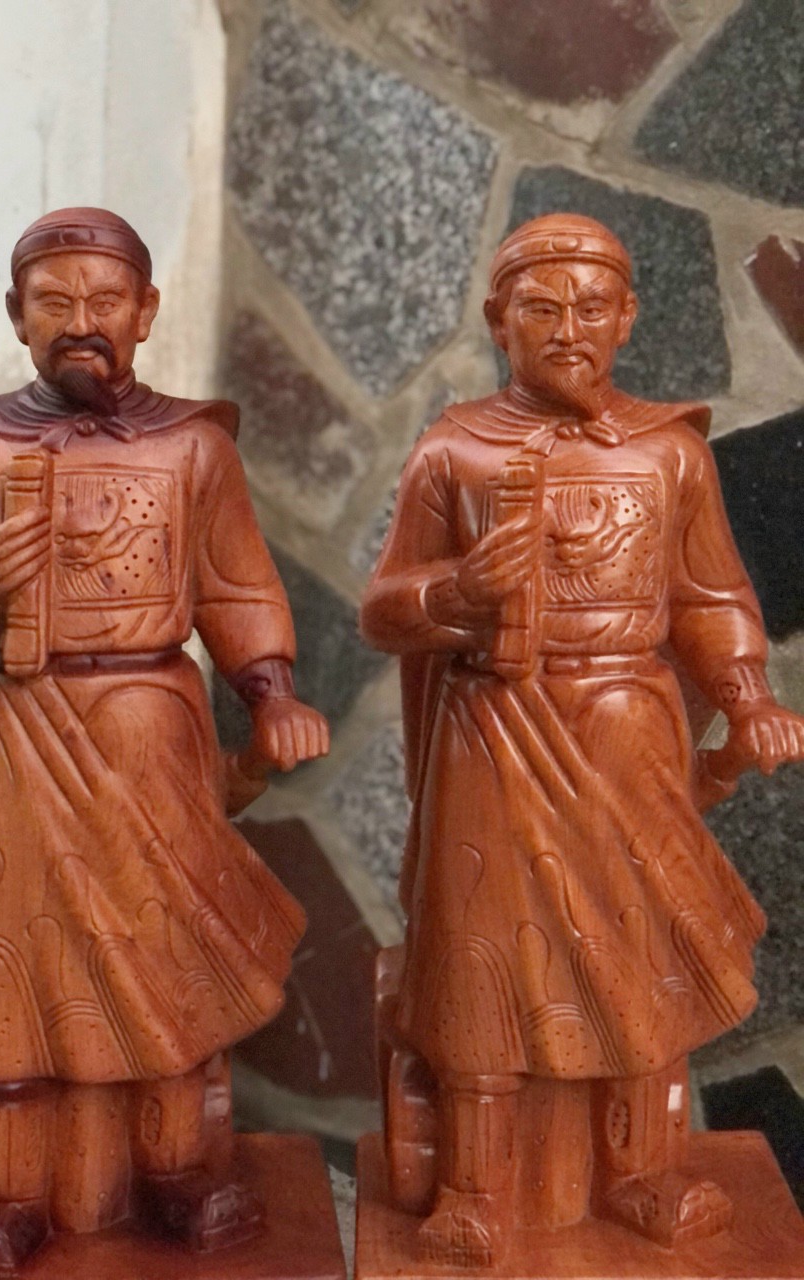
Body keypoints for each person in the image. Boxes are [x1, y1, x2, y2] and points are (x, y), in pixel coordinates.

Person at [0, 208, 328, 1274]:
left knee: (159, 958)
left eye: (104, 300)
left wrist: (269, 691)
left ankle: (178, 1171)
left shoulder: (193, 447)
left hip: (148, 734)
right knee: (14, 969)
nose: (81, 320)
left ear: (146, 312)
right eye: (54, 302)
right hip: (16, 742)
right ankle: (4, 1193)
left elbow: (236, 587)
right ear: (16, 315)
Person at [360, 214, 804, 1267]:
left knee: (638, 957)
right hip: (492, 732)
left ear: (628, 317)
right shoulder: (453, 450)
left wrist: (747, 694)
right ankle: (474, 1187)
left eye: (592, 307)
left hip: (625, 732)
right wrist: (454, 592)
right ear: (497, 321)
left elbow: (710, 598)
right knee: (483, 957)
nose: (569, 328)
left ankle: (639, 1172)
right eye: (542, 308)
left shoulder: (669, 452)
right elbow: (383, 608)